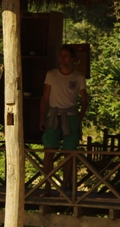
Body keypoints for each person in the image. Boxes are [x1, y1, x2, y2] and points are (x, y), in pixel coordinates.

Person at [38, 45, 89, 196]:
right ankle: (47, 186)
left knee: (69, 152)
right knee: (49, 150)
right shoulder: (51, 75)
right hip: (53, 114)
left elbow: (84, 100)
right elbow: (45, 97)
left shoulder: (79, 77)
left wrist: (80, 116)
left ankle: (64, 187)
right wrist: (42, 117)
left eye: (66, 56)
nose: (62, 59)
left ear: (73, 59)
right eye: (61, 56)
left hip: (71, 115)